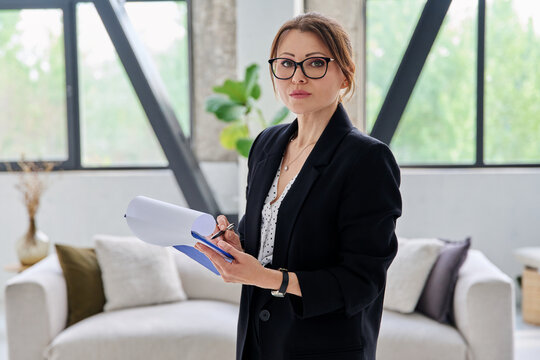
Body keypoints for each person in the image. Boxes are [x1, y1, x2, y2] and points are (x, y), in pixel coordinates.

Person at [194, 11, 402, 360]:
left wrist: (269, 278)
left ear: (344, 75)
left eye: (315, 63)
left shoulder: (367, 160)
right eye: (286, 64)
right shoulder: (266, 144)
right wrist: (238, 244)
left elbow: (361, 283)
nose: (298, 77)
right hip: (258, 343)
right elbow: (272, 239)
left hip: (326, 347)